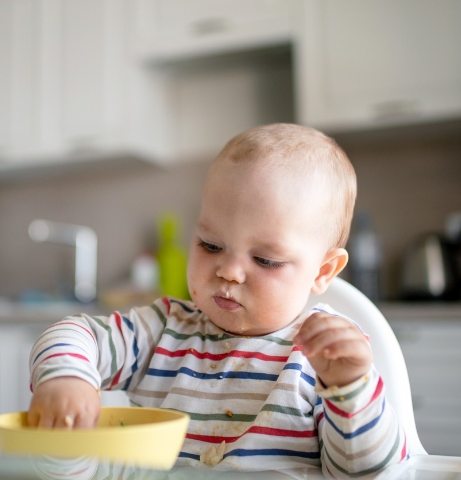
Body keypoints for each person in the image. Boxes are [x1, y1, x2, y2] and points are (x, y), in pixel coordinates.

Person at [27, 123, 408, 477]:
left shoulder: (323, 358)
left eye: (265, 260)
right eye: (210, 245)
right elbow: (75, 332)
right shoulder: (162, 330)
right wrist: (67, 377)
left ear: (323, 271)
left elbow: (372, 473)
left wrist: (349, 389)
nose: (228, 271)